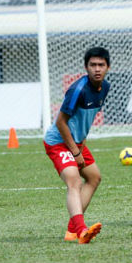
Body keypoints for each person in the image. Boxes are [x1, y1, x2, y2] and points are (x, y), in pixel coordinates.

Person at [43, 47, 111, 244]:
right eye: (93, 65)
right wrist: (75, 152)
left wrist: (81, 145)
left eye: (101, 65)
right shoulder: (77, 90)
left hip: (77, 142)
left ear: (108, 67)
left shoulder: (104, 87)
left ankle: (71, 231)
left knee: (94, 177)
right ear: (86, 67)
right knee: (74, 181)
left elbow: (85, 120)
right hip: (58, 142)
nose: (97, 69)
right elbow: (61, 122)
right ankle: (81, 230)